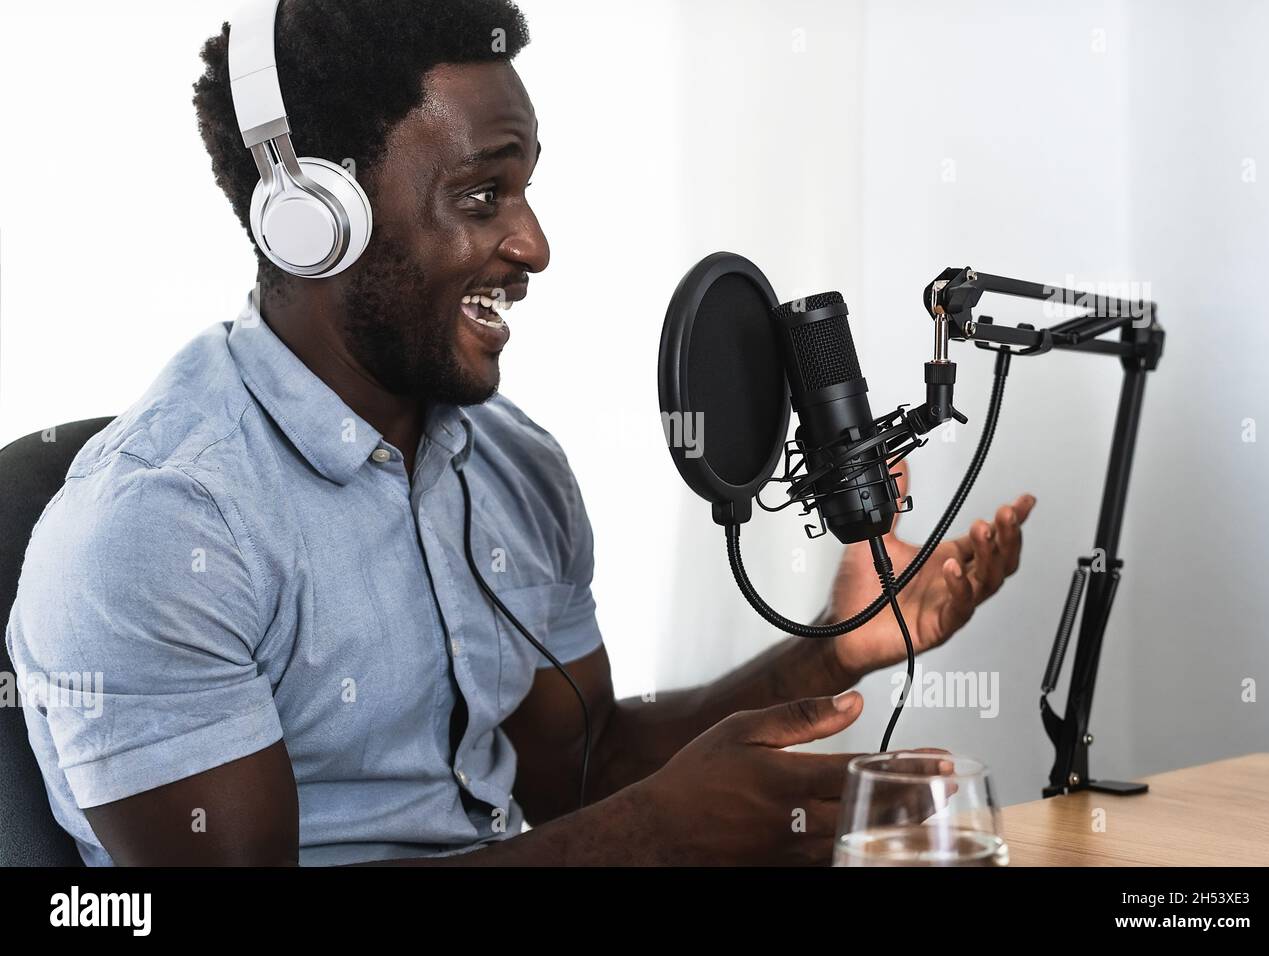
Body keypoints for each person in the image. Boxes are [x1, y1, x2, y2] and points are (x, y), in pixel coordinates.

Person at [5, 0, 1035, 866]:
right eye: (481, 193)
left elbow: (576, 770)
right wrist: (642, 841)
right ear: (312, 218)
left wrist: (830, 650)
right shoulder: (152, 529)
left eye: (526, 187)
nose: (532, 243)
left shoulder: (506, 458)